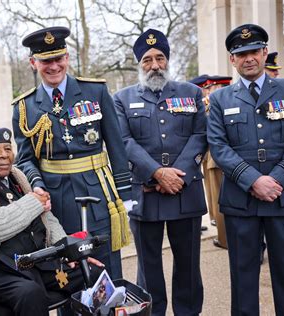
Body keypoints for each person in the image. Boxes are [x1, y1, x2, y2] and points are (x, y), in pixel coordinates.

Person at [0, 127, 103, 315]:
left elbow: (47, 219)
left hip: (36, 262)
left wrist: (68, 250)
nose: (4, 156)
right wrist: (33, 202)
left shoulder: (17, 177)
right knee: (30, 294)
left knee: (92, 274)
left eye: (8, 149)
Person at [12, 26, 132, 279]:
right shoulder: (24, 107)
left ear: (67, 58)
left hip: (98, 192)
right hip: (55, 198)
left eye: (58, 59)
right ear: (33, 63)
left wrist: (126, 194)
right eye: (46, 61)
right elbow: (25, 158)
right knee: (66, 270)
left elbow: (116, 146)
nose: (53, 66)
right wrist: (36, 185)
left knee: (105, 266)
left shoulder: (95, 91)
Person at [207, 23, 284, 315]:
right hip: (240, 200)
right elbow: (218, 147)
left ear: (264, 52)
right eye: (240, 53)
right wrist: (254, 181)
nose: (249, 58)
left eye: (254, 51)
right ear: (232, 60)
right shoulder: (221, 99)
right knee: (243, 278)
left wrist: (277, 179)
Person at [113, 28, 207, 316]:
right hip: (146, 191)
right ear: (139, 64)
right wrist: (157, 172)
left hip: (185, 188)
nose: (155, 65)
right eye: (147, 59)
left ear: (168, 59)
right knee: (148, 265)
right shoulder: (122, 98)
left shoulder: (191, 93)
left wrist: (176, 174)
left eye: (160, 57)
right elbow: (123, 141)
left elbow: (201, 135)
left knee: (189, 265)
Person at [190, 74, 232, 249]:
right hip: (214, 157)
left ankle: (225, 239)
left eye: (211, 87)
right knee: (219, 200)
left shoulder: (215, 103)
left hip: (217, 158)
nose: (208, 91)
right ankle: (226, 238)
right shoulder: (213, 103)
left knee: (221, 200)